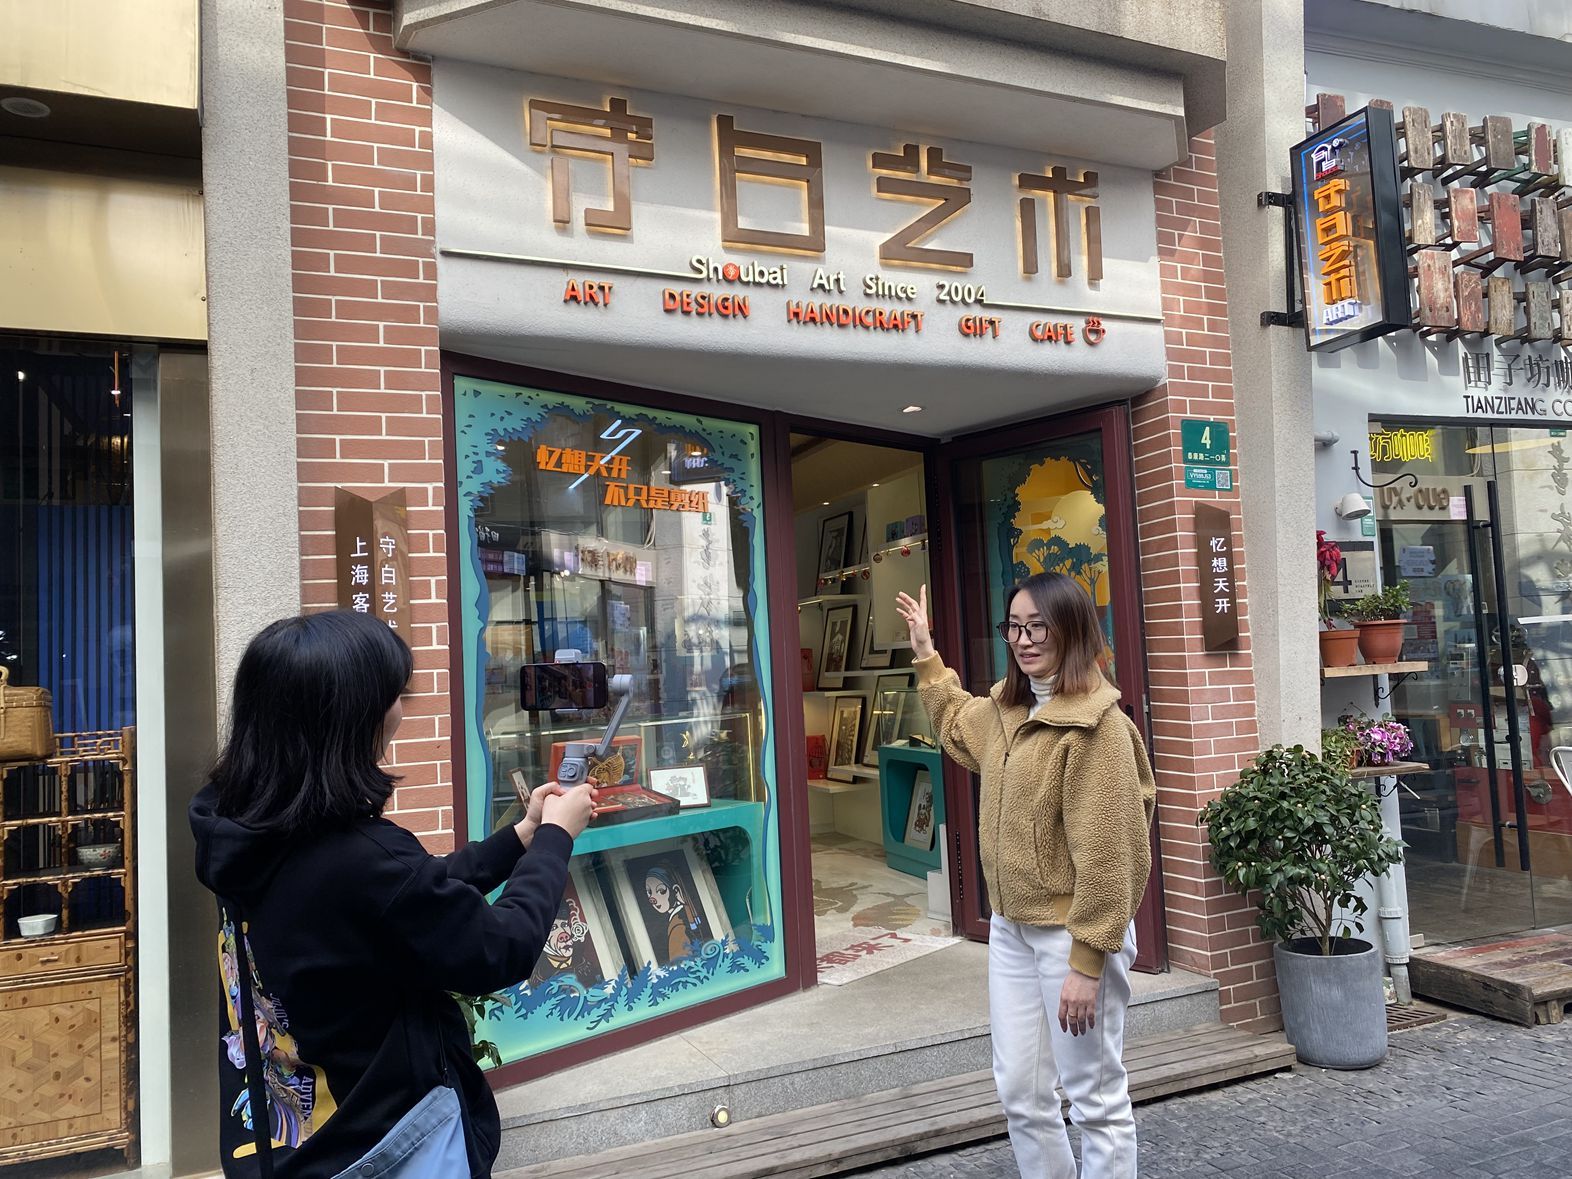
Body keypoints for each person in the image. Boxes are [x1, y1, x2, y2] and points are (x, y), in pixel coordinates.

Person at [190, 609, 597, 1177]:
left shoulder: (241, 827)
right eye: (394, 696)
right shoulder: (360, 858)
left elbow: (402, 900)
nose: (400, 712)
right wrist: (555, 838)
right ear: (350, 716)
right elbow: (500, 947)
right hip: (383, 1149)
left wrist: (520, 838)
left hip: (285, 1141)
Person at [896, 574, 1155, 1179]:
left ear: (1073, 630)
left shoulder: (1098, 729)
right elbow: (956, 721)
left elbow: (1113, 854)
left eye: (1039, 626)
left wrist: (1087, 963)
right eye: (1014, 626)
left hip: (1073, 936)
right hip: (1012, 928)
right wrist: (926, 653)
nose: (1025, 639)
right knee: (1020, 1091)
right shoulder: (1007, 712)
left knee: (1094, 1099)